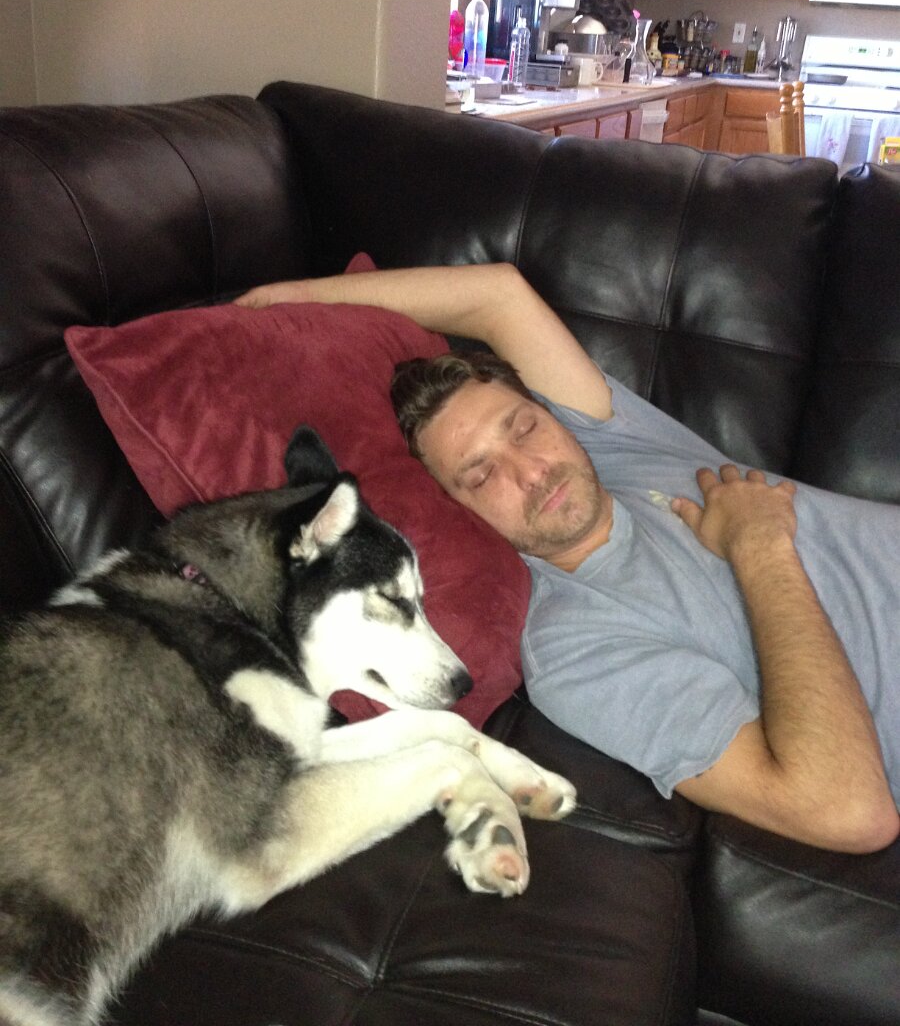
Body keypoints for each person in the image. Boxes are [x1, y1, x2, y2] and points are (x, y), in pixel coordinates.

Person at [236, 262, 900, 854]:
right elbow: (846, 811)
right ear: (459, 512)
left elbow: (498, 296)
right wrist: (761, 548)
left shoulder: (615, 448)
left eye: (525, 427)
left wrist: (283, 298)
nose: (531, 471)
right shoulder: (574, 648)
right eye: (480, 475)